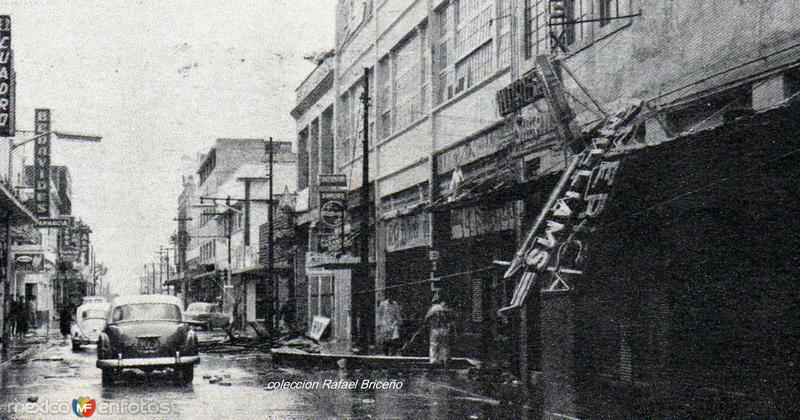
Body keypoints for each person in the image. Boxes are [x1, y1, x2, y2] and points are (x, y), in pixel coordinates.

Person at [425, 295, 455, 368]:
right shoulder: (448, 309)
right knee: (445, 346)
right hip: (445, 329)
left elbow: (426, 318)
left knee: (434, 345)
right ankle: (444, 361)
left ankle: (434, 361)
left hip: (435, 329)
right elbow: (453, 319)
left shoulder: (433, 309)